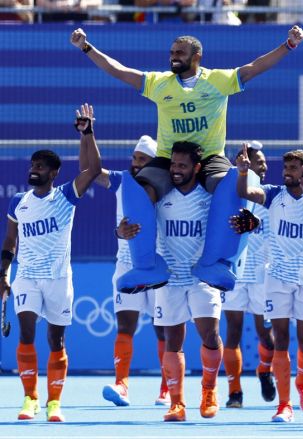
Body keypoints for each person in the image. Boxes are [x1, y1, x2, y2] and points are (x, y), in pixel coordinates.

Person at [70, 25, 303, 295]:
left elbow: (254, 67)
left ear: (197, 56)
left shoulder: (218, 80)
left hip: (208, 158)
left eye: (179, 53)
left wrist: (288, 45)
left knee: (233, 183)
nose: (173, 57)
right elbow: (119, 71)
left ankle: (216, 263)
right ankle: (146, 268)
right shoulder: (159, 84)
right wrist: (87, 47)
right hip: (169, 158)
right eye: (171, 52)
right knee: (135, 187)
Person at [0, 104, 102, 422]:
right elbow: (10, 241)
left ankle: (53, 402)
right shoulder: (19, 202)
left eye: (41, 166)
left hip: (59, 278)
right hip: (27, 276)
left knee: (56, 340)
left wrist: (87, 133)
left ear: (53, 173)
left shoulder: (66, 197)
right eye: (33, 164)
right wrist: (3, 273)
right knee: (26, 331)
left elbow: (93, 170)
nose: (34, 169)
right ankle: (30, 398)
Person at [117, 141, 225, 422]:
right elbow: (134, 224)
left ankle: (209, 391)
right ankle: (177, 403)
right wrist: (121, 232)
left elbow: (233, 221)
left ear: (197, 168)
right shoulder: (158, 196)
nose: (176, 170)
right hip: (170, 280)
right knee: (171, 342)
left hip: (202, 279)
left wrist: (248, 221)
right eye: (173, 165)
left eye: (182, 166)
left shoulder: (210, 198)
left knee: (210, 337)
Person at [237, 148, 303, 423]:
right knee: (281, 341)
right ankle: (284, 404)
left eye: (293, 167)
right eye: (286, 167)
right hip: (277, 277)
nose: (287, 171)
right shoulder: (274, 193)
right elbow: (246, 193)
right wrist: (243, 172)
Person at [80, 132, 169, 407]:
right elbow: (90, 171)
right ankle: (122, 386)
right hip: (127, 266)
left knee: (163, 330)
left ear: (154, 163)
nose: (135, 163)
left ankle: (167, 389)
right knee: (125, 327)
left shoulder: (168, 187)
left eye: (142, 159)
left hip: (158, 268)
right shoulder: (122, 180)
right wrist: (87, 135)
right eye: (134, 157)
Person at [221, 141, 276, 409]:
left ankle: (265, 370)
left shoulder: (271, 196)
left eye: (264, 162)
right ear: (243, 165)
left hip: (263, 277)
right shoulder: (227, 197)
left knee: (265, 335)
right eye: (259, 161)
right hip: (235, 274)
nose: (264, 166)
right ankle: (235, 392)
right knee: (232, 332)